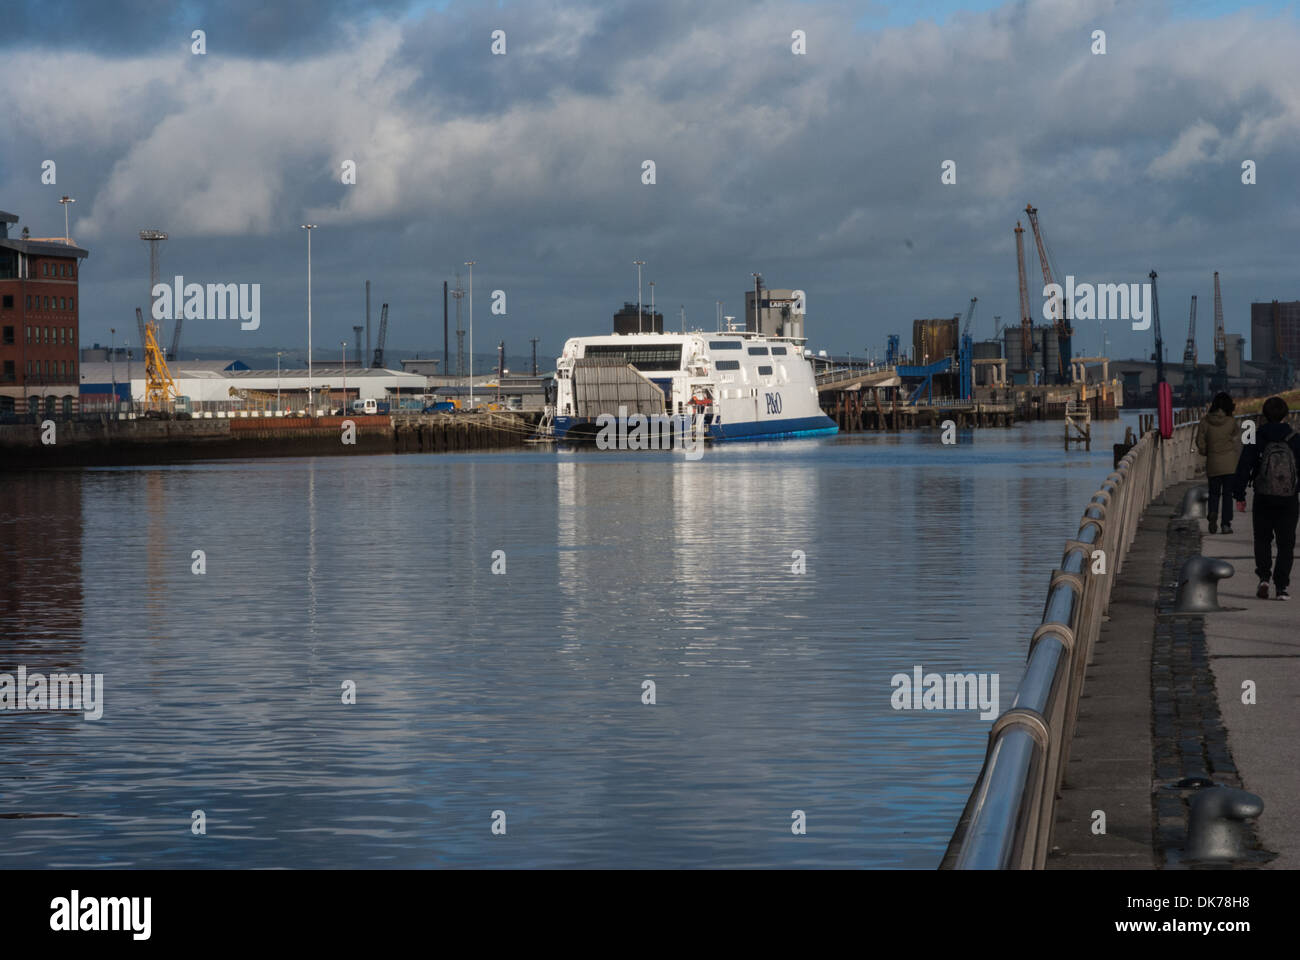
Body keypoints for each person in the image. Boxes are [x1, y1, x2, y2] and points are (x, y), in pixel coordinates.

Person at [1233, 396, 1300, 600]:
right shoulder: (1295, 438)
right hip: (1288, 497)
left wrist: (1240, 495)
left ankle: (1263, 577)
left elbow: (1244, 466)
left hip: (1263, 496)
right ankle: (1281, 587)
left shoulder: (1255, 436)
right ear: (1285, 415)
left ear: (1264, 414)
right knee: (1286, 544)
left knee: (1262, 540)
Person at [1195, 393, 1239, 533]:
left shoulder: (1205, 421)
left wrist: (1206, 451)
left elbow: (1199, 441)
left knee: (1214, 493)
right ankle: (1226, 524)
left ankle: (1212, 513)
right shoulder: (1231, 422)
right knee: (1227, 495)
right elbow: (1236, 438)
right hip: (1229, 464)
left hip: (1213, 462)